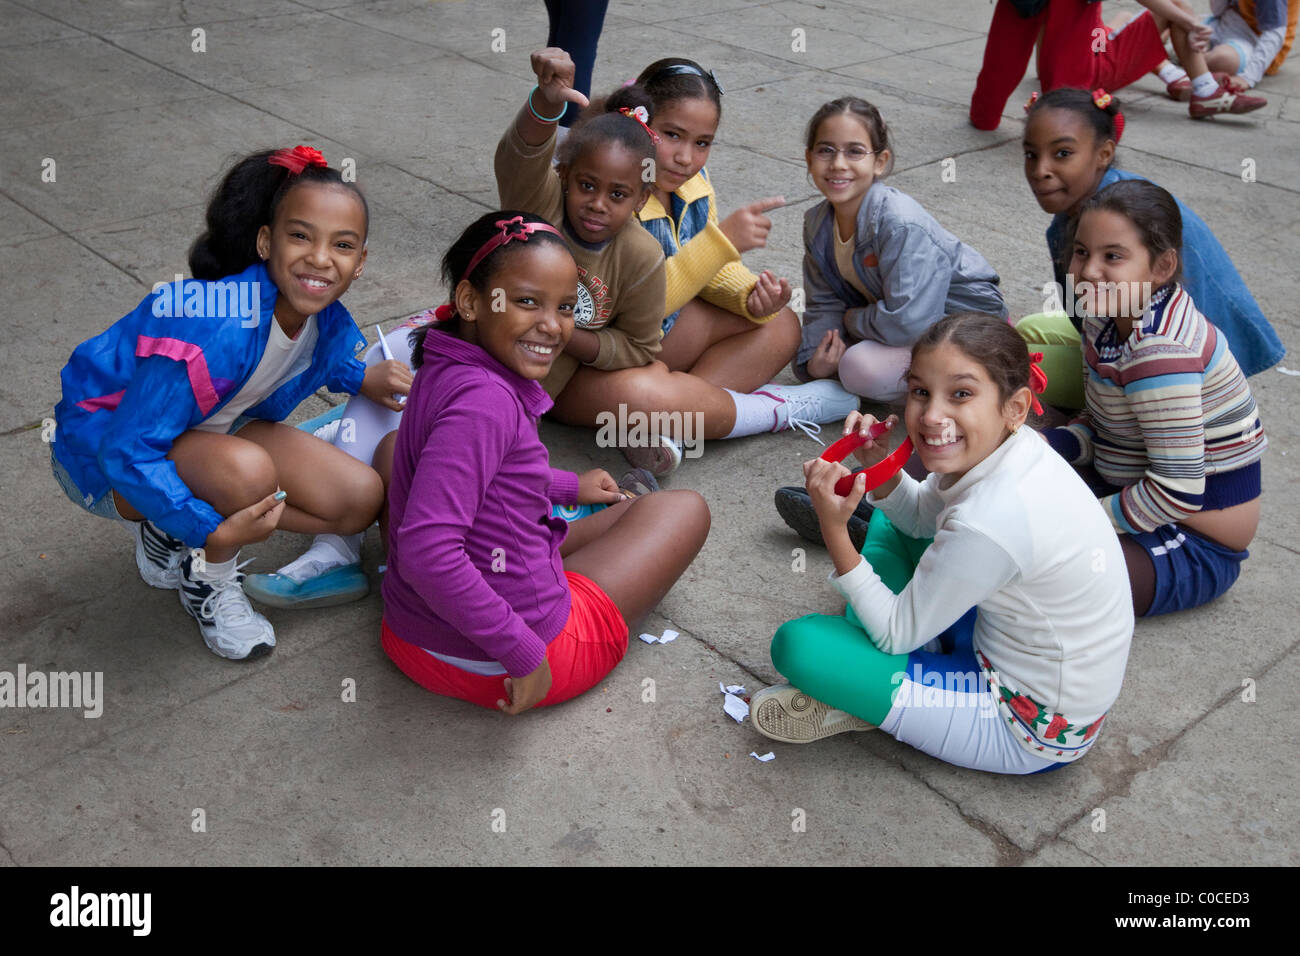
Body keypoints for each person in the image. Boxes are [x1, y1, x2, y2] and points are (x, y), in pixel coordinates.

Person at [51, 146, 407, 659]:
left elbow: (312, 354)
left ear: (361, 261)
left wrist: (361, 378)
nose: (321, 258)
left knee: (356, 501)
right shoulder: (214, 327)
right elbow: (125, 451)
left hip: (209, 435)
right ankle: (208, 577)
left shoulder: (321, 318)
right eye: (301, 236)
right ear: (266, 242)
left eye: (343, 244)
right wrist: (211, 530)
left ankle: (168, 529)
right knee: (249, 476)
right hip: (105, 459)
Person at [752, 314, 1134, 774]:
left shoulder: (990, 519)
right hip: (1000, 642)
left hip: (1021, 726)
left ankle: (868, 691)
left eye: (961, 394)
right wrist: (879, 466)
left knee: (800, 646)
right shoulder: (1013, 449)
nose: (932, 416)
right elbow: (917, 520)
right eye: (920, 391)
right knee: (892, 526)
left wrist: (834, 530)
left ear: (1015, 408)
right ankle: (878, 675)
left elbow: (895, 634)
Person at [380, 211, 710, 713]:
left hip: (409, 635)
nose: (551, 326)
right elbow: (428, 552)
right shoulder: (487, 401)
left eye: (564, 307)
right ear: (470, 300)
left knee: (392, 450)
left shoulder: (444, 357)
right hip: (510, 667)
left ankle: (548, 553)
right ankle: (542, 588)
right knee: (682, 509)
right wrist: (525, 654)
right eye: (527, 301)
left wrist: (564, 487)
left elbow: (480, 470)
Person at [504, 49, 859, 477]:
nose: (686, 157)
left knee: (780, 325)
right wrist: (721, 241)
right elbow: (636, 299)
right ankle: (768, 410)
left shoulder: (692, 186)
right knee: (647, 393)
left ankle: (668, 422)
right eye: (671, 134)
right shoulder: (606, 198)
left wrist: (749, 295)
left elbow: (703, 271)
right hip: (583, 363)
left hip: (641, 345)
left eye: (702, 143)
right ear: (635, 123)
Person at [1042, 179, 1267, 617]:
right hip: (1131, 490)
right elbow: (1104, 420)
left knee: (1046, 576)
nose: (1088, 271)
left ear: (1162, 267)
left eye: (1113, 257)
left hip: (1195, 540)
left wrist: (1082, 517)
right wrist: (1058, 444)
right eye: (1082, 252)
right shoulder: (1105, 317)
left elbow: (1177, 492)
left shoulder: (1160, 352)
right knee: (1008, 483)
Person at [1017, 87, 1284, 408]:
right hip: (1122, 332)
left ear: (1103, 153)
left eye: (1062, 153)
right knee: (1028, 330)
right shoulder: (1088, 204)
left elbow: (1147, 343)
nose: (1040, 170)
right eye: (1031, 154)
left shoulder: (1119, 222)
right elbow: (1087, 312)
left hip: (1171, 368)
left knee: (1008, 377)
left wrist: (1096, 419)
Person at [795, 96, 1007, 403]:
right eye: (825, 150)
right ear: (808, 158)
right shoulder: (816, 224)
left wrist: (851, 322)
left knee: (858, 367)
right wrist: (815, 360)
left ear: (879, 162)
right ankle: (934, 385)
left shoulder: (899, 223)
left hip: (964, 322)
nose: (838, 164)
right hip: (893, 324)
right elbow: (822, 302)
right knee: (831, 356)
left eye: (855, 151)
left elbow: (910, 321)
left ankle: (981, 376)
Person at [969, 0, 1266, 130]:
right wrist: (1190, 22)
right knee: (1174, 12)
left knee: (1128, 17)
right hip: (1087, 70)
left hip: (1080, 55)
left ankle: (1175, 75)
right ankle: (1203, 89)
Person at [1154, 0, 1297, 99]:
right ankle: (1178, 54)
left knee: (1222, 60)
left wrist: (1247, 78)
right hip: (1225, 21)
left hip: (1255, 40)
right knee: (1177, 10)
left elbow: (1274, 35)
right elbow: (1218, 11)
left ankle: (1176, 58)